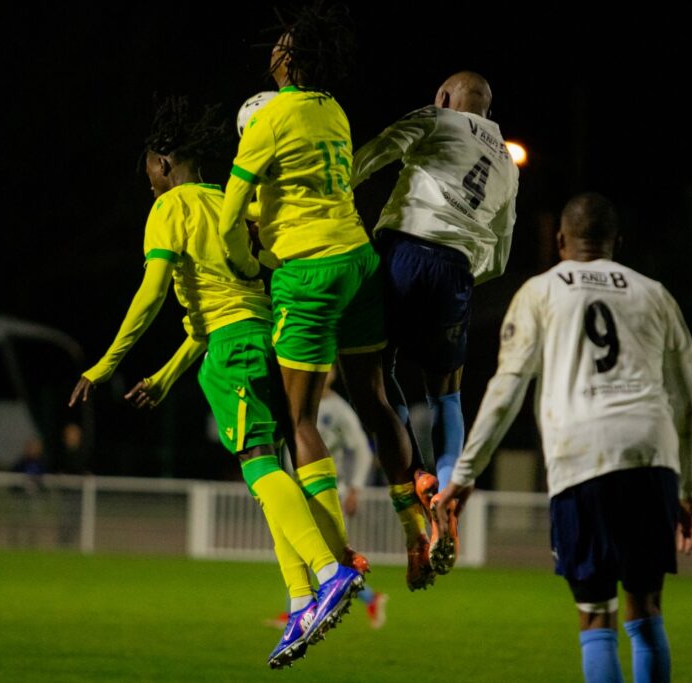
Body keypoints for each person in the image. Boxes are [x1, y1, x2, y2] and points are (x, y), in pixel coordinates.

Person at [67, 95, 362, 669]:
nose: (149, 185)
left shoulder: (171, 206)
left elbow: (153, 295)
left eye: (150, 174)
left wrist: (104, 365)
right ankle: (302, 597)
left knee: (256, 464)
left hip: (235, 350)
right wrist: (167, 375)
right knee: (271, 463)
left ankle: (328, 573)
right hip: (268, 342)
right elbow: (209, 314)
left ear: (163, 165)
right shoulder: (235, 204)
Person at [435, 192, 692, 683]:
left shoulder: (540, 292)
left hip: (583, 456)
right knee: (646, 608)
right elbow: (688, 404)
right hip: (652, 454)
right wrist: (686, 490)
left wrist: (467, 473)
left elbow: (506, 389)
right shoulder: (654, 293)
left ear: (560, 240)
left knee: (595, 613)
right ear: (616, 244)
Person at [218, 3, 434, 592]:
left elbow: (233, 211)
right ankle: (415, 527)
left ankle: (338, 561)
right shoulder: (332, 110)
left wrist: (249, 260)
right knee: (371, 397)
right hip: (359, 260)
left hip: (309, 272)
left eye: (279, 46)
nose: (272, 52)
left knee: (299, 420)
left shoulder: (269, 119)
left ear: (288, 60)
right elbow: (309, 188)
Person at [350, 70, 519, 575]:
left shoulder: (436, 117)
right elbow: (502, 255)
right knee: (446, 392)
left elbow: (378, 150)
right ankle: (446, 487)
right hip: (456, 271)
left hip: (403, 249)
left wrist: (338, 187)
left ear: (446, 97)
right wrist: (463, 272)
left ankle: (416, 476)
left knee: (373, 373)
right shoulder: (509, 164)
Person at [267, 364, 389, 630]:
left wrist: (356, 488)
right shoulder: (295, 401)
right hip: (298, 488)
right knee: (308, 550)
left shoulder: (339, 410)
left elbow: (363, 450)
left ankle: (303, 611)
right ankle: (365, 599)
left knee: (315, 552)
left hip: (327, 492)